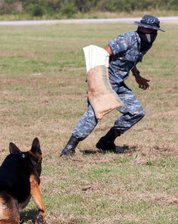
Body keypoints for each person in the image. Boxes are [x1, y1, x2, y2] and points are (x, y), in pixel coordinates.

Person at [60, 15, 165, 157]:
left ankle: (107, 141)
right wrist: (95, 78)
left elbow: (132, 60)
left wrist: (137, 75)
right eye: (146, 28)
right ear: (139, 27)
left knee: (136, 112)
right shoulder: (126, 39)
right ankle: (69, 148)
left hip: (118, 83)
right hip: (104, 81)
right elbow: (102, 53)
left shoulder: (145, 43)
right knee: (95, 113)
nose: (150, 33)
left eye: (153, 30)